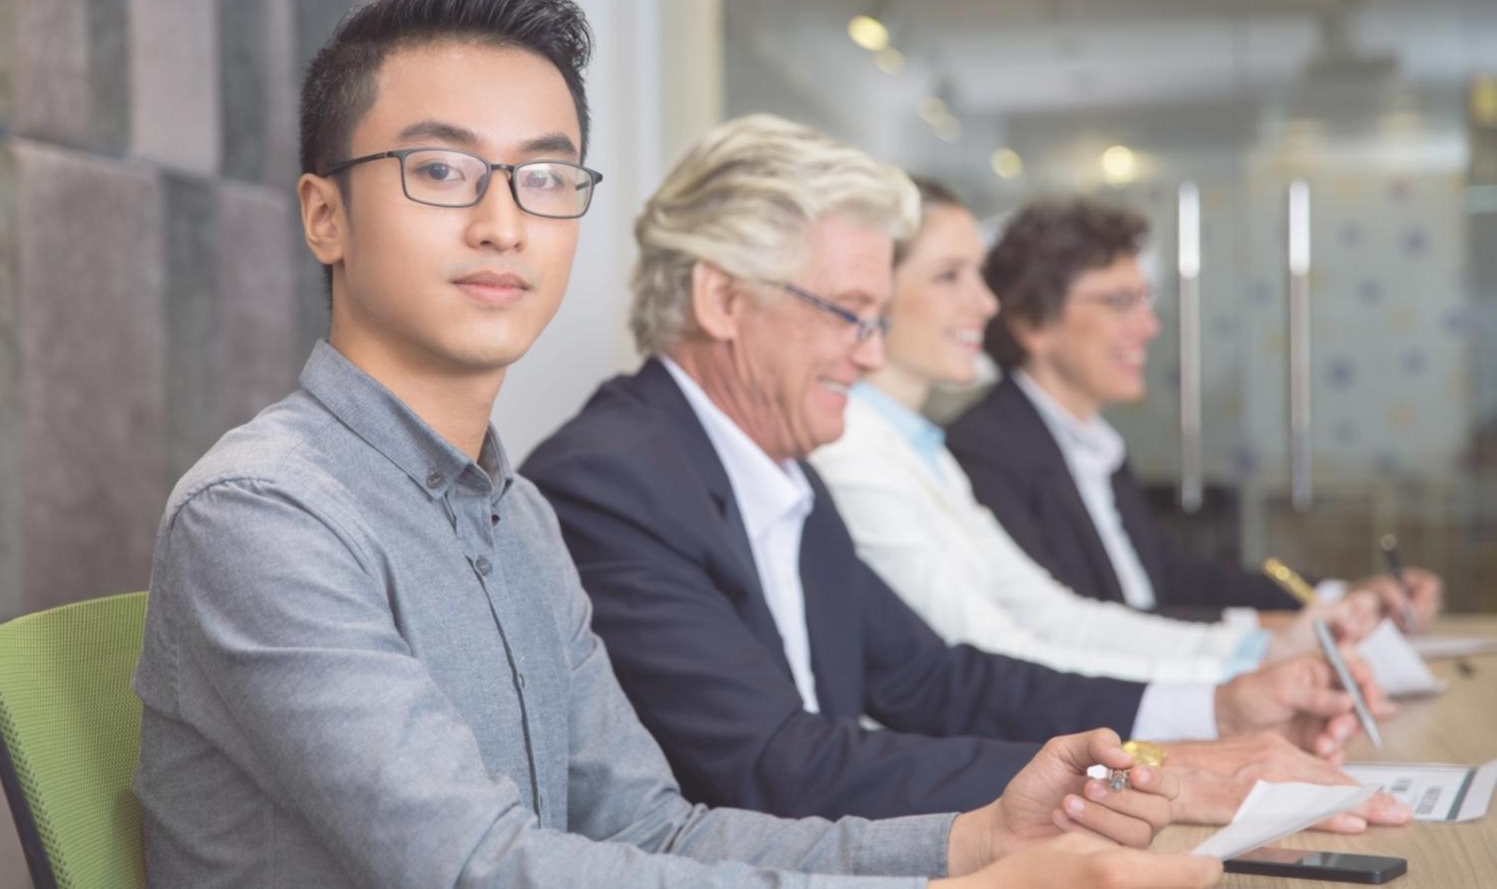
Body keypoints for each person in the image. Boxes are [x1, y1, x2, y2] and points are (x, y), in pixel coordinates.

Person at [129, 0, 1224, 888]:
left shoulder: (518, 515)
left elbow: (657, 831)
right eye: (441, 169)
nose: (503, 220)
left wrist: (964, 841)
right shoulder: (267, 514)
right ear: (324, 214)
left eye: (546, 175)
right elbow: (477, 870)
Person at [522, 114, 1396, 830]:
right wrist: (1166, 770)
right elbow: (773, 766)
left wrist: (1215, 714)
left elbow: (935, 679)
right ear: (721, 300)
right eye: (850, 316)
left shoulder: (780, 464)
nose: (868, 358)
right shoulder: (610, 483)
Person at [807, 178, 1382, 686]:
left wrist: (1254, 655)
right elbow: (993, 653)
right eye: (949, 276)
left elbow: (1056, 614)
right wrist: (1232, 679)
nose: (985, 304)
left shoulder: (925, 450)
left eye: (978, 276)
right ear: (871, 292)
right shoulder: (871, 449)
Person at [943, 198, 1442, 627]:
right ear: (1033, 322)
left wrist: (1338, 596)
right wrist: (1278, 629)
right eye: (1119, 302)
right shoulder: (986, 454)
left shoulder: (1091, 443)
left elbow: (1173, 578)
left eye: (1145, 300)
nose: (1148, 327)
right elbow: (1078, 622)